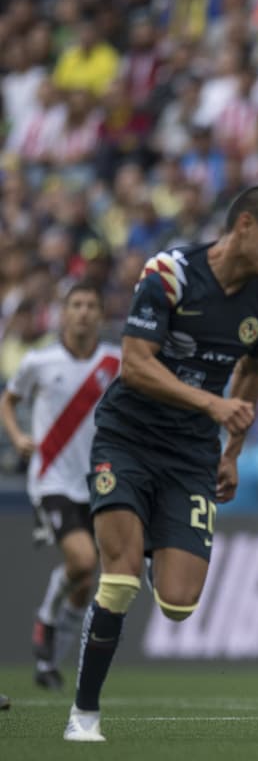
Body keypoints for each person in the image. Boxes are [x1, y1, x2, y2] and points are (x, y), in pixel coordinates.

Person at [63, 186, 258, 742]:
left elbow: (252, 371)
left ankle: (151, 547)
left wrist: (232, 452)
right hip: (128, 439)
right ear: (244, 224)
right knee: (117, 582)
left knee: (177, 605)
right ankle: (84, 714)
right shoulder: (170, 273)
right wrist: (212, 404)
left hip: (192, 454)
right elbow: (138, 364)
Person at [1, 283, 121, 692]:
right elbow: (8, 399)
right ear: (63, 313)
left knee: (85, 581)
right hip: (52, 478)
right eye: (76, 305)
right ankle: (47, 620)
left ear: (101, 315)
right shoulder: (39, 360)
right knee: (84, 560)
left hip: (98, 481)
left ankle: (49, 659)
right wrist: (18, 437)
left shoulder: (115, 362)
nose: (84, 312)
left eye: (91, 305)